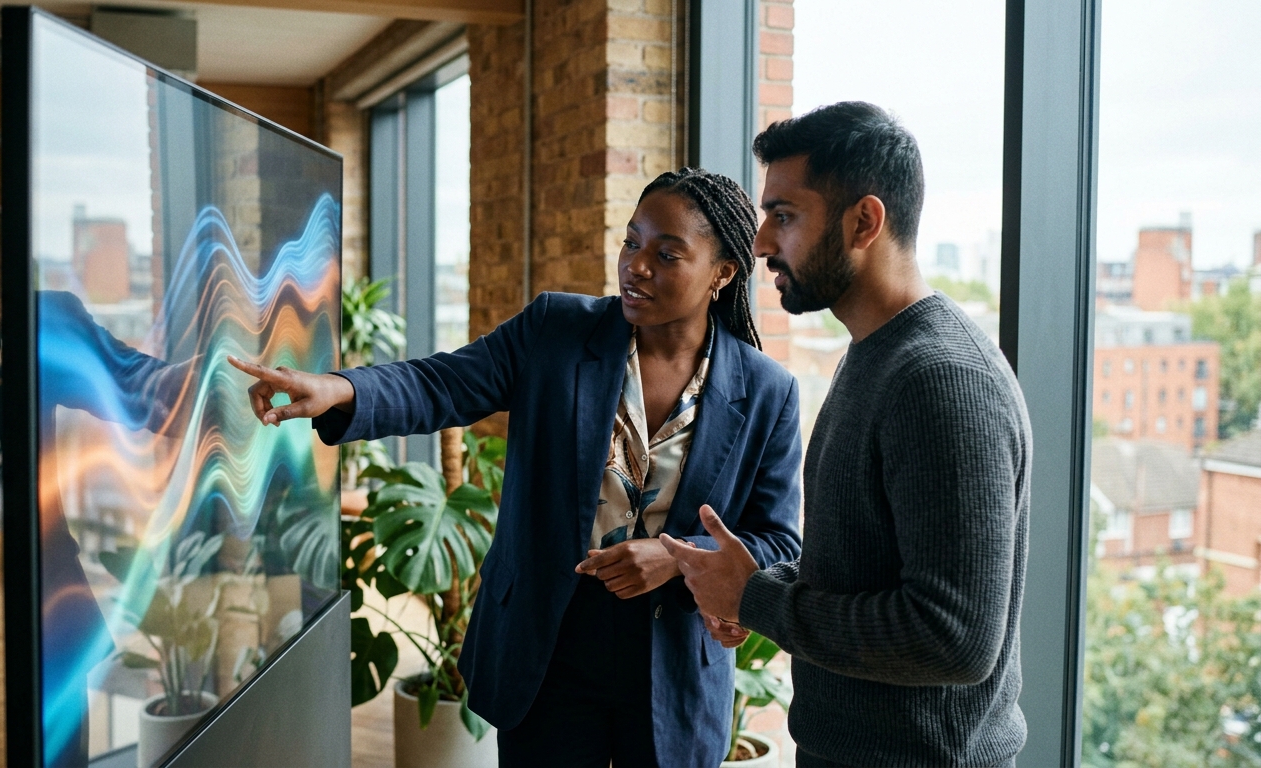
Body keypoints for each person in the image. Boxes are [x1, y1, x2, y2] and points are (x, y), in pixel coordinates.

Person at [228, 168, 803, 767]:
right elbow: (441, 382)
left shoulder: (767, 392)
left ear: (723, 272)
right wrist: (339, 389)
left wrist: (674, 557)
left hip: (674, 660)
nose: (636, 265)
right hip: (549, 642)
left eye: (667, 254)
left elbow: (778, 543)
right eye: (632, 242)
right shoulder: (557, 330)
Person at [661, 102, 1031, 768]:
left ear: (865, 221)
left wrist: (758, 597)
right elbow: (871, 565)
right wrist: (756, 589)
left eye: (786, 215)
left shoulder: (940, 381)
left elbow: (955, 639)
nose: (761, 243)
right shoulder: (876, 355)